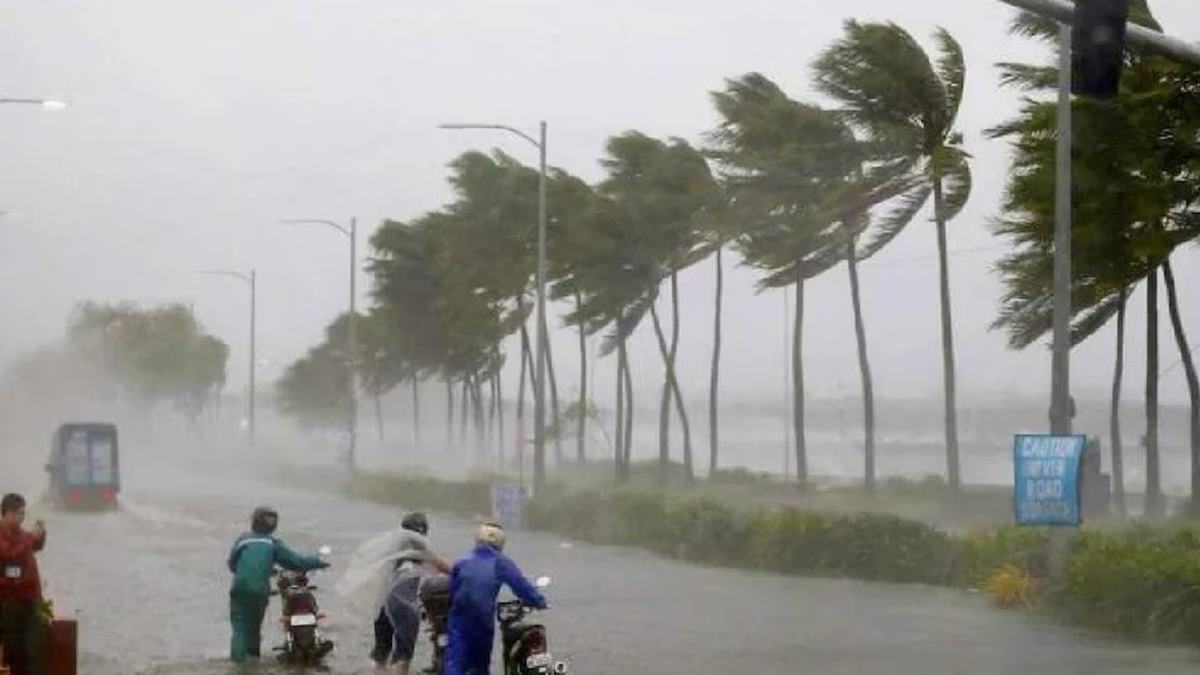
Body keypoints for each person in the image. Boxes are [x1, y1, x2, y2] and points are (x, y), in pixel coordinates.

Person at [226, 506, 328, 663]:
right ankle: (253, 661)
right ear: (273, 526)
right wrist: (318, 562)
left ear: (254, 521)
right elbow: (296, 562)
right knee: (254, 627)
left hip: (239, 588)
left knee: (239, 628)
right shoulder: (272, 543)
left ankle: (238, 664)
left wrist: (255, 570)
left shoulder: (243, 539)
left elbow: (232, 564)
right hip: (260, 590)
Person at [444, 522, 546, 675]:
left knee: (455, 661)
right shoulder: (500, 562)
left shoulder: (462, 561)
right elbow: (521, 586)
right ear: (500, 542)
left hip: (459, 617)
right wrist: (539, 601)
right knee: (480, 663)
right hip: (483, 619)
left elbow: (452, 588)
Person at [376, 512, 451, 674]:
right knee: (403, 656)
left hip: (383, 605)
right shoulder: (418, 547)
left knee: (381, 654)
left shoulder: (393, 547)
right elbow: (442, 566)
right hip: (404, 605)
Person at [0, 494, 46, 675]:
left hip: (31, 599)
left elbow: (35, 545)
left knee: (34, 650)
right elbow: (10, 554)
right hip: (9, 603)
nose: (22, 517)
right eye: (19, 513)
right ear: (7, 513)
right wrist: (29, 539)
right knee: (14, 651)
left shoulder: (21, 534)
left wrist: (40, 534)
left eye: (23, 513)